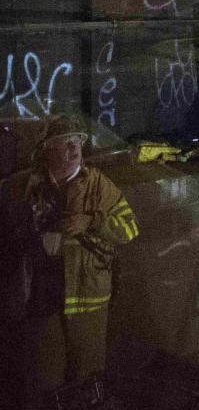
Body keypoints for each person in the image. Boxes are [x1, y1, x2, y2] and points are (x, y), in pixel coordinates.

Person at [0, 116, 139, 406]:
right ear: (47, 149)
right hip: (43, 298)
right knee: (46, 376)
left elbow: (129, 227)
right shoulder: (26, 184)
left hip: (87, 297)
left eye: (78, 142)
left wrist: (92, 221)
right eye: (66, 143)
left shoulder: (98, 184)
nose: (74, 149)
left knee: (88, 379)